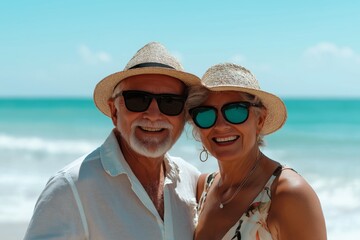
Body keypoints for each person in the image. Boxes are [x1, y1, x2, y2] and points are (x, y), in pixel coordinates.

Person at [24, 42, 202, 240]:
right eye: (137, 100)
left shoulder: (191, 180)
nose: (153, 114)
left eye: (170, 102)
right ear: (114, 111)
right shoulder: (71, 187)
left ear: (184, 115)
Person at [186, 63, 327, 240]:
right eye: (206, 114)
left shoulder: (288, 194)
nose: (221, 126)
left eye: (236, 111)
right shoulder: (203, 188)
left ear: (260, 120)